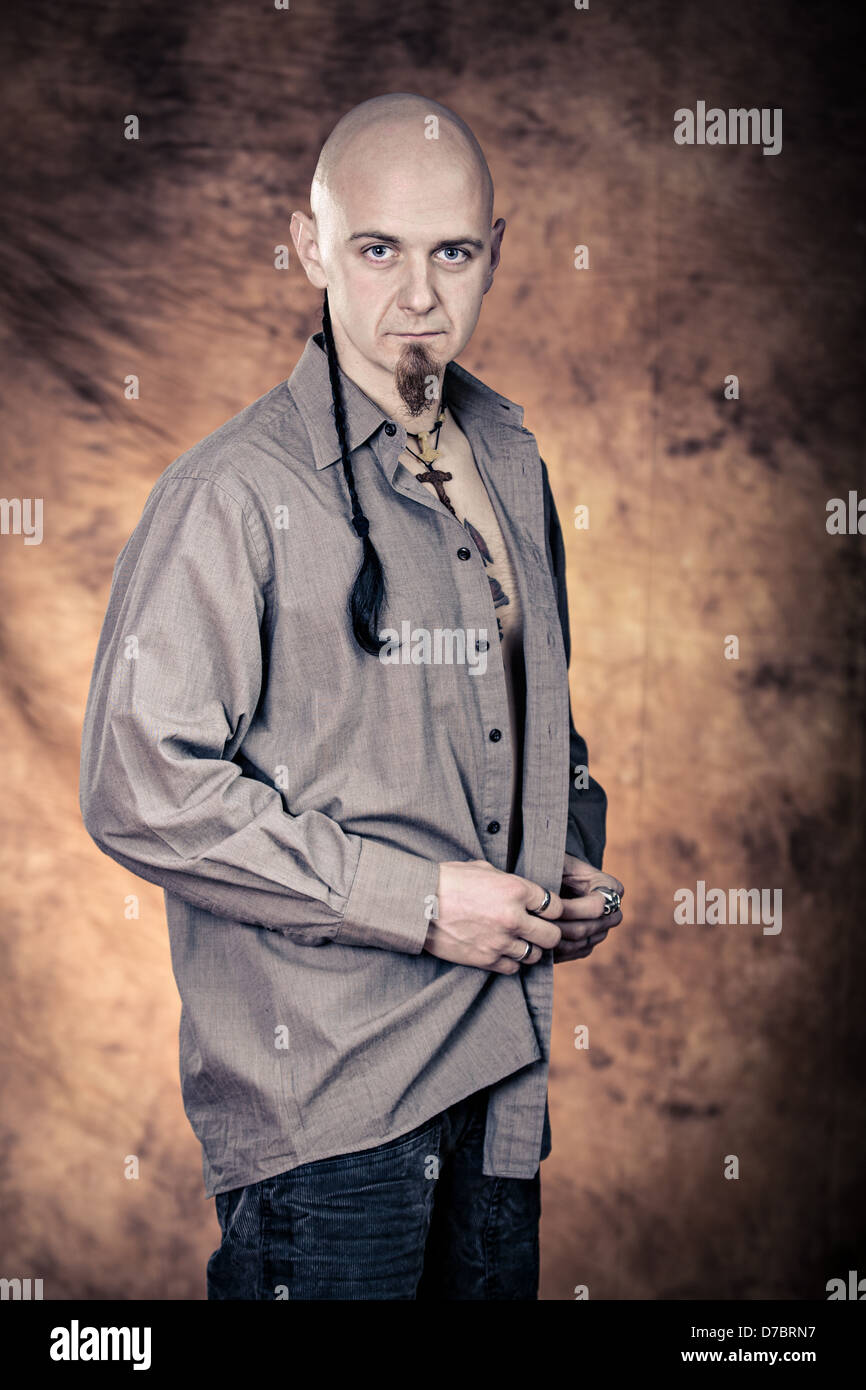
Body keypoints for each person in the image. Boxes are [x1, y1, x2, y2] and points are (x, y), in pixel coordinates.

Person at [78, 90, 624, 1300]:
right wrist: (421, 902)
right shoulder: (228, 492)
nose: (417, 297)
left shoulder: (513, 465)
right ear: (309, 245)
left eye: (452, 253)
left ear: (497, 252)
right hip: (328, 1121)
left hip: (498, 1083)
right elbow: (137, 785)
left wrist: (566, 857)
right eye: (376, 249)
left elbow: (549, 731)